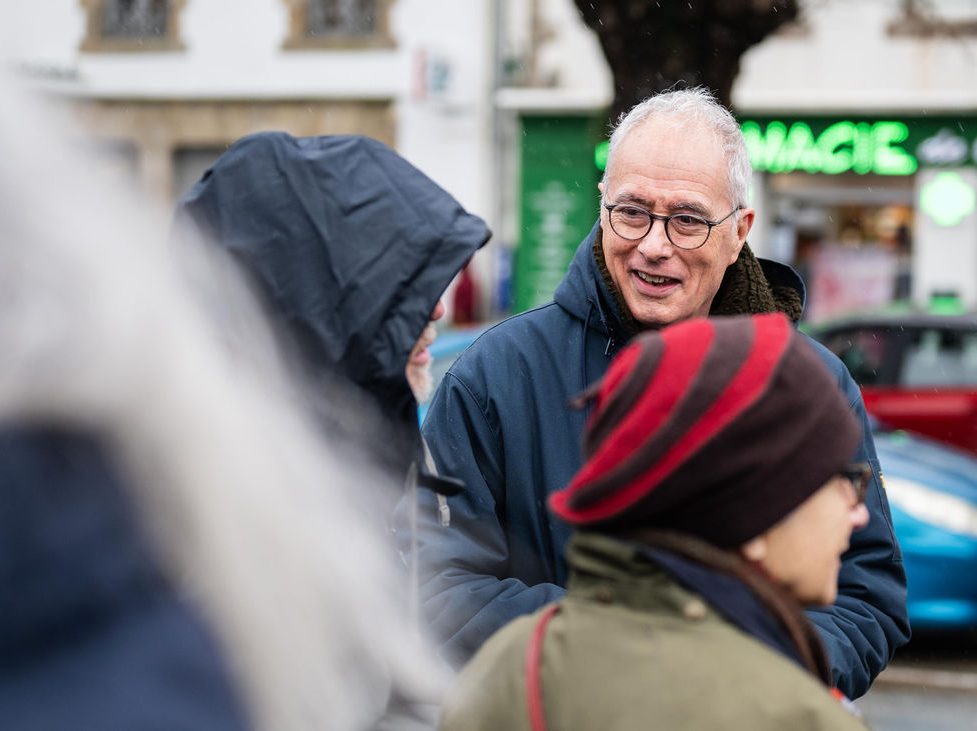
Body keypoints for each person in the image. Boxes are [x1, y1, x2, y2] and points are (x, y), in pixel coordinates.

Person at [0, 49, 450, 730]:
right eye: (410, 289)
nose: (439, 312)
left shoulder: (367, 452)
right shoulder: (197, 506)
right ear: (334, 301)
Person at [411, 87, 908, 698]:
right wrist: (619, 660)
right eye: (632, 211)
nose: (653, 243)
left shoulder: (811, 386)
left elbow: (866, 598)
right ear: (601, 205)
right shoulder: (495, 373)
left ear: (739, 231)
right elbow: (439, 583)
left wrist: (748, 684)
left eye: (688, 220)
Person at [440, 314, 872, 731]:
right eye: (843, 481)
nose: (860, 511)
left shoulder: (506, 673)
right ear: (754, 517)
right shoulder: (796, 716)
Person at [174, 132, 490, 508]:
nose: (437, 310)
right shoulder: (248, 503)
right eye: (398, 288)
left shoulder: (343, 464)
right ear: (323, 303)